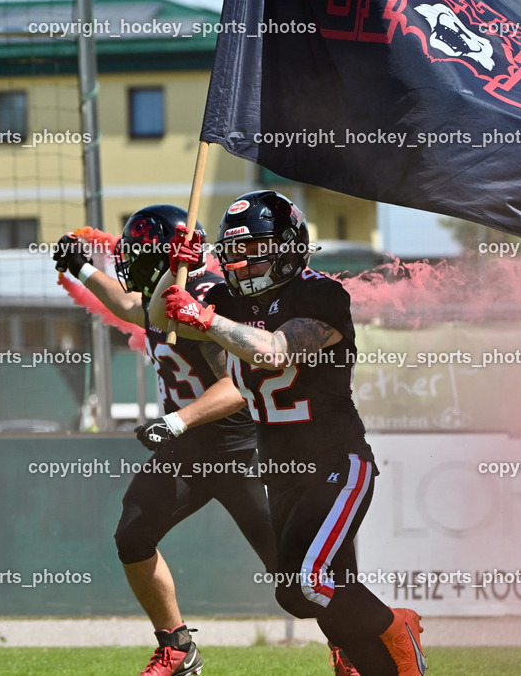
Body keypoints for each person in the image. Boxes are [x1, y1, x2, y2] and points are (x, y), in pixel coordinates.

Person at [149, 190, 428, 676]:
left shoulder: (322, 294)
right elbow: (158, 319)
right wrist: (176, 272)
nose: (242, 263)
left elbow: (275, 351)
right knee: (303, 595)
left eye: (254, 250)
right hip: (280, 470)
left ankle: (394, 624)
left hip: (336, 462)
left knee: (307, 584)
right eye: (233, 252)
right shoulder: (223, 298)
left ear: (287, 247)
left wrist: (208, 319)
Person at [52, 204, 277, 676]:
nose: (127, 261)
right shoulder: (160, 298)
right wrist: (81, 266)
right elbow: (124, 304)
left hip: (238, 448)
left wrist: (177, 422)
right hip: (187, 448)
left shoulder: (204, 300)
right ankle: (177, 647)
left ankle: (352, 642)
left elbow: (239, 385)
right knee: (133, 535)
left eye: (136, 253)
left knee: (291, 568)